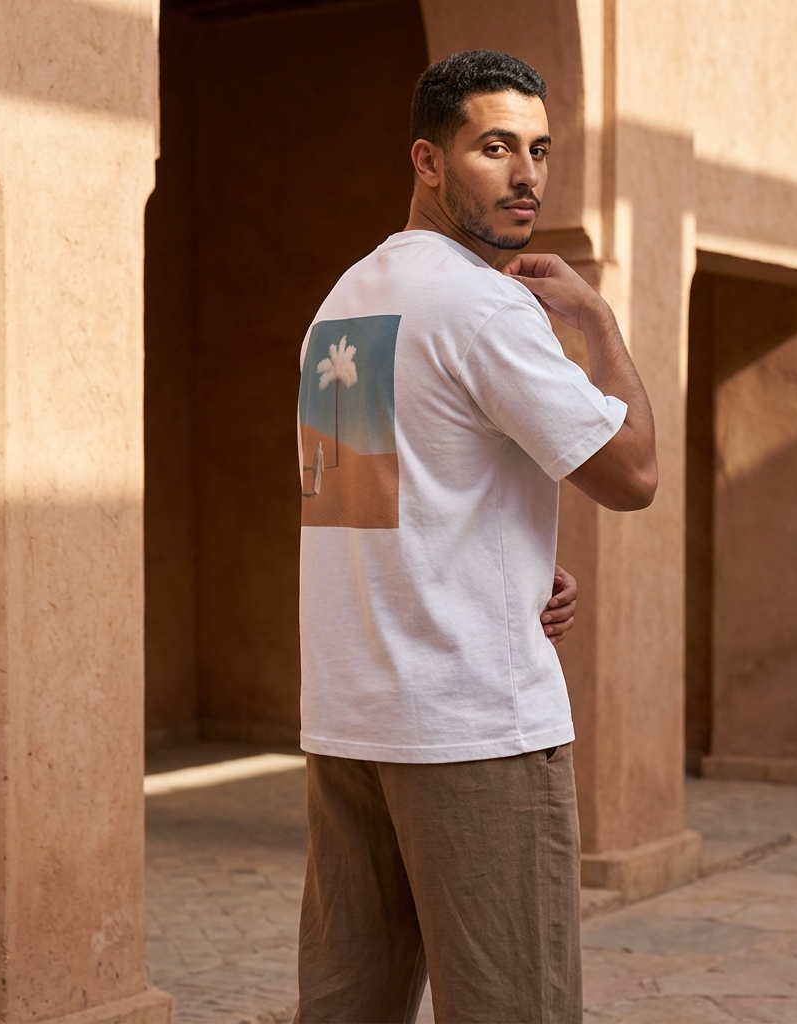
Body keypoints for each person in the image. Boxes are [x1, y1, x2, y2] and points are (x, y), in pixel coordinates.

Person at [294, 50, 656, 1023]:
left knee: (345, 1007)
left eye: (538, 149)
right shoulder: (486, 304)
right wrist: (600, 328)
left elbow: (378, 503)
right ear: (427, 159)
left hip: (355, 717)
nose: (526, 172)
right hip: (471, 726)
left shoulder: (346, 303)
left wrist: (511, 566)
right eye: (494, 147)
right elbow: (632, 474)